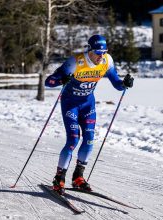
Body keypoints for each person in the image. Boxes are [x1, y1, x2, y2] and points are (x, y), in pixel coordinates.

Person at [45, 34, 134, 195]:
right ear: (90, 51)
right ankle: (59, 178)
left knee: (89, 140)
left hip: (88, 104)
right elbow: (48, 82)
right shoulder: (76, 62)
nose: (101, 56)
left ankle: (78, 177)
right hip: (70, 104)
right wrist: (61, 80)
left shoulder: (107, 61)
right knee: (73, 139)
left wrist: (124, 84)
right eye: (98, 53)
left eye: (104, 52)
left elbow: (117, 85)